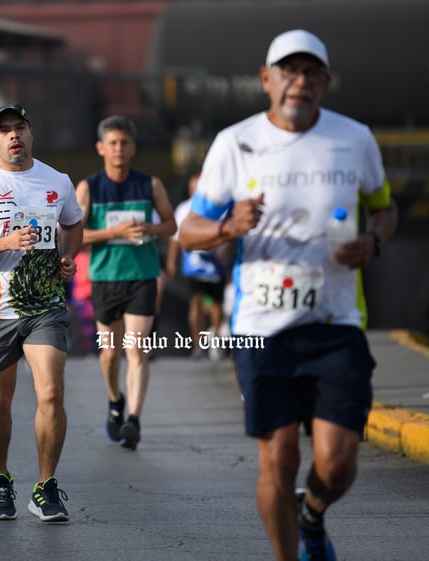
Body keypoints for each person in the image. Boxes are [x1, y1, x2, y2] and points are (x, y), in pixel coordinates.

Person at [178, 30, 397, 561]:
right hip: (261, 326)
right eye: (289, 72)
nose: (300, 83)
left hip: (336, 321)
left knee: (338, 460)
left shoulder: (356, 139)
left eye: (311, 74)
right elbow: (189, 231)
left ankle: (312, 515)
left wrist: (373, 241)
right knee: (277, 459)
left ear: (325, 83)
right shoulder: (236, 142)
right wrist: (229, 226)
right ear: (266, 79)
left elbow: (385, 208)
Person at [0, 104, 84, 522]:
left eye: (20, 127)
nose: (14, 136)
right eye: (4, 130)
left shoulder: (57, 180)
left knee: (51, 393)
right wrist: (3, 243)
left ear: (31, 133)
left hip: (44, 305)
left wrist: (69, 257)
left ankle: (46, 487)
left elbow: (74, 223)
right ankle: (0, 478)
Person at [74, 115, 176, 450]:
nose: (119, 149)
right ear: (101, 148)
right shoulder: (89, 187)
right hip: (105, 278)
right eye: (113, 143)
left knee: (136, 349)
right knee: (110, 354)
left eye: (125, 143)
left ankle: (134, 420)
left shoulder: (151, 185)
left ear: (133, 148)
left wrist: (149, 228)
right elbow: (75, 234)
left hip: (142, 277)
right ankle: (115, 399)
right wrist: (115, 232)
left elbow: (171, 225)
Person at [166, 171, 227, 360]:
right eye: (194, 188)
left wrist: (225, 250)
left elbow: (229, 233)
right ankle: (198, 345)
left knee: (217, 304)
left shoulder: (219, 206)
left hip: (216, 261)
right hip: (194, 262)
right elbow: (175, 239)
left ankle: (216, 341)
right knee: (196, 301)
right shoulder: (184, 209)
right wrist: (171, 261)